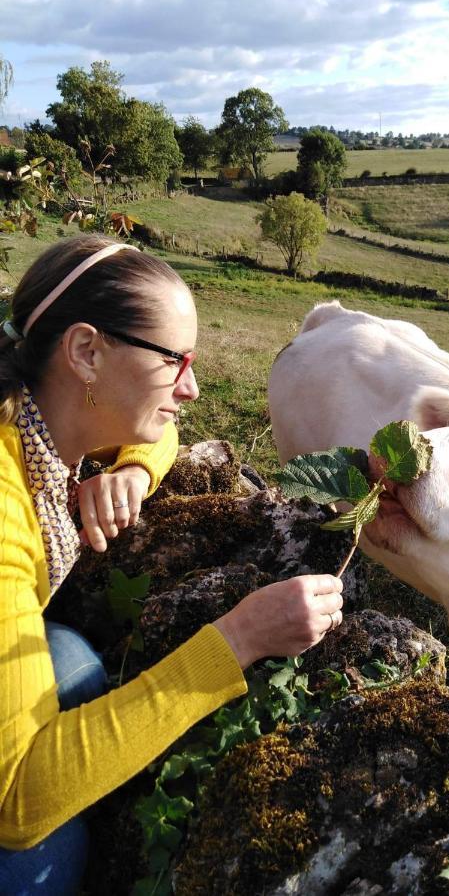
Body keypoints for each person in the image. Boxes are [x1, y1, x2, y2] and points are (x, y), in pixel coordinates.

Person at [0, 234, 343, 895]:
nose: (191, 387)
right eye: (174, 360)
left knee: (69, 659)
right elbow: (17, 803)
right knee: (45, 853)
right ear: (85, 352)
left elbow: (162, 432)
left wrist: (130, 467)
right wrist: (236, 641)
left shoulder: (40, 422)